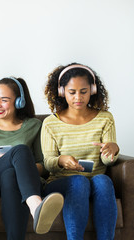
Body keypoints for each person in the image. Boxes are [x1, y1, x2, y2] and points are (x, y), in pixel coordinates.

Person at [0, 77, 64, 239]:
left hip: (18, 181)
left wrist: (20, 166)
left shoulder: (34, 125)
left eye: (4, 100)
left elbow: (43, 166)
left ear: (19, 102)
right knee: (20, 151)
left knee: (10, 174)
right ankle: (36, 206)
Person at [42, 63, 119, 239]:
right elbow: (48, 163)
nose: (78, 97)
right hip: (61, 182)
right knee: (79, 183)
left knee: (103, 181)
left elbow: (107, 161)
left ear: (92, 90)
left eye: (83, 91)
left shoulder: (105, 119)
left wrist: (112, 149)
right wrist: (61, 160)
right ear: (62, 92)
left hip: (95, 181)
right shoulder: (50, 124)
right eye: (72, 92)